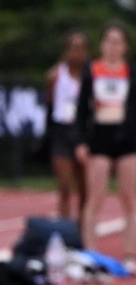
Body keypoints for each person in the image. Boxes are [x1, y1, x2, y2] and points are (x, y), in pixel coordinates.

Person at [75, 23, 136, 271]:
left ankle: (129, 254)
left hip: (126, 139)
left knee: (129, 197)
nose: (113, 47)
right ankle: (90, 252)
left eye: (118, 42)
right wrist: (81, 141)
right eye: (109, 41)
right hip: (99, 139)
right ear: (102, 45)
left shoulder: (133, 73)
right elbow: (81, 109)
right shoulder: (92, 71)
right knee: (95, 196)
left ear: (125, 46)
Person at [45, 30, 90, 222]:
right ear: (66, 50)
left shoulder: (90, 75)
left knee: (85, 188)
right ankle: (64, 229)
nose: (77, 53)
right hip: (62, 131)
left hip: (82, 132)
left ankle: (81, 228)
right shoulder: (55, 75)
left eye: (81, 49)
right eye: (73, 48)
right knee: (64, 186)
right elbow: (49, 104)